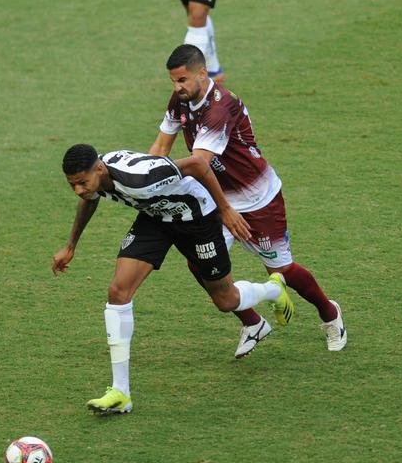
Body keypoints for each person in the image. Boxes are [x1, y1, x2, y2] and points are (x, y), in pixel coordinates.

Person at [52, 144, 294, 415]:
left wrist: (225, 210)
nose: (79, 190)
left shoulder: (141, 177)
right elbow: (89, 199)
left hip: (197, 220)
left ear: (98, 169)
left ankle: (273, 289)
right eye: (72, 185)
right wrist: (71, 244)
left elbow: (197, 165)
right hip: (156, 219)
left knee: (226, 300)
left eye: (82, 183)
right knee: (118, 292)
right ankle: (121, 392)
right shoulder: (97, 179)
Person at [148, 44, 347, 351]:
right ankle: (253, 323)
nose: (177, 87)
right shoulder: (180, 100)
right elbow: (160, 149)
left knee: (281, 271)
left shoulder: (219, 108)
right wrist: (147, 179)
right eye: (173, 81)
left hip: (258, 199)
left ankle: (329, 313)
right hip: (217, 197)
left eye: (183, 80)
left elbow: (199, 163)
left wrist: (148, 179)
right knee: (200, 262)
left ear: (202, 73)